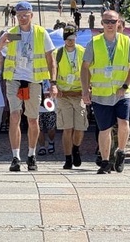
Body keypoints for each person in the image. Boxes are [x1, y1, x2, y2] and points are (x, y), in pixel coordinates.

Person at [0, 0, 57, 172]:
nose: (22, 18)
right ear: (15, 17)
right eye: (19, 15)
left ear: (31, 15)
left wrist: (53, 83)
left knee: (33, 119)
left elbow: (51, 60)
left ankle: (31, 154)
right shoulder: (12, 34)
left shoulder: (40, 33)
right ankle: (15, 157)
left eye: (25, 15)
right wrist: (1, 43)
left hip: (34, 80)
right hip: (14, 79)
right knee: (15, 116)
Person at [81, 10, 130, 174]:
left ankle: (121, 151)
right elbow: (84, 67)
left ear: (118, 23)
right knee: (104, 129)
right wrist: (85, 90)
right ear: (102, 23)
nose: (110, 24)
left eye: (113, 21)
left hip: (121, 92)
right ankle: (105, 161)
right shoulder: (94, 42)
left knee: (124, 123)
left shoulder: (127, 41)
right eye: (107, 21)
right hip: (101, 93)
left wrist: (126, 85)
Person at [54, 24, 88, 169]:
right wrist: (54, 86)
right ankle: (68, 158)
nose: (70, 41)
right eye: (68, 39)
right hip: (63, 95)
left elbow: (88, 69)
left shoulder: (82, 51)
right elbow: (53, 70)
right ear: (64, 39)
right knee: (67, 128)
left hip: (79, 93)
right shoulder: (58, 52)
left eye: (73, 38)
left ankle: (76, 148)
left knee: (80, 127)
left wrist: (88, 88)